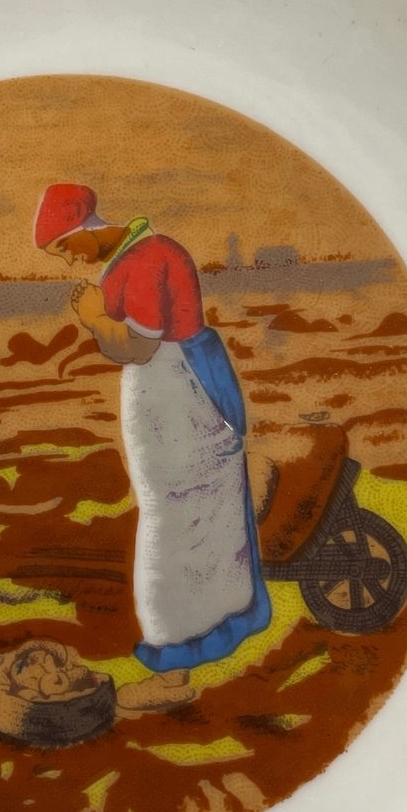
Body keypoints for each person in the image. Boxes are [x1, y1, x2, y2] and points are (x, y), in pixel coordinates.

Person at [34, 182, 271, 710]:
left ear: (83, 230)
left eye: (65, 247)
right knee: (202, 522)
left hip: (176, 397)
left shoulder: (140, 261)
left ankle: (171, 675)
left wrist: (94, 317)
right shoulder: (146, 252)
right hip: (183, 389)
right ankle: (211, 638)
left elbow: (139, 346)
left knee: (173, 529)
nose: (70, 260)